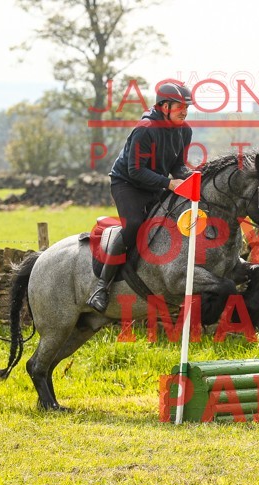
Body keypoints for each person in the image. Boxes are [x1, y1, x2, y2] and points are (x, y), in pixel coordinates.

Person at [87, 81, 194, 312]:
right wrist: (169, 183)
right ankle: (101, 286)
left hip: (154, 183)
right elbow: (136, 170)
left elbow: (178, 167)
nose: (185, 111)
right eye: (180, 106)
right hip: (127, 183)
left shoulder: (185, 131)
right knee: (134, 223)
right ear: (164, 106)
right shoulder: (145, 129)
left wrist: (194, 175)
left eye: (187, 107)